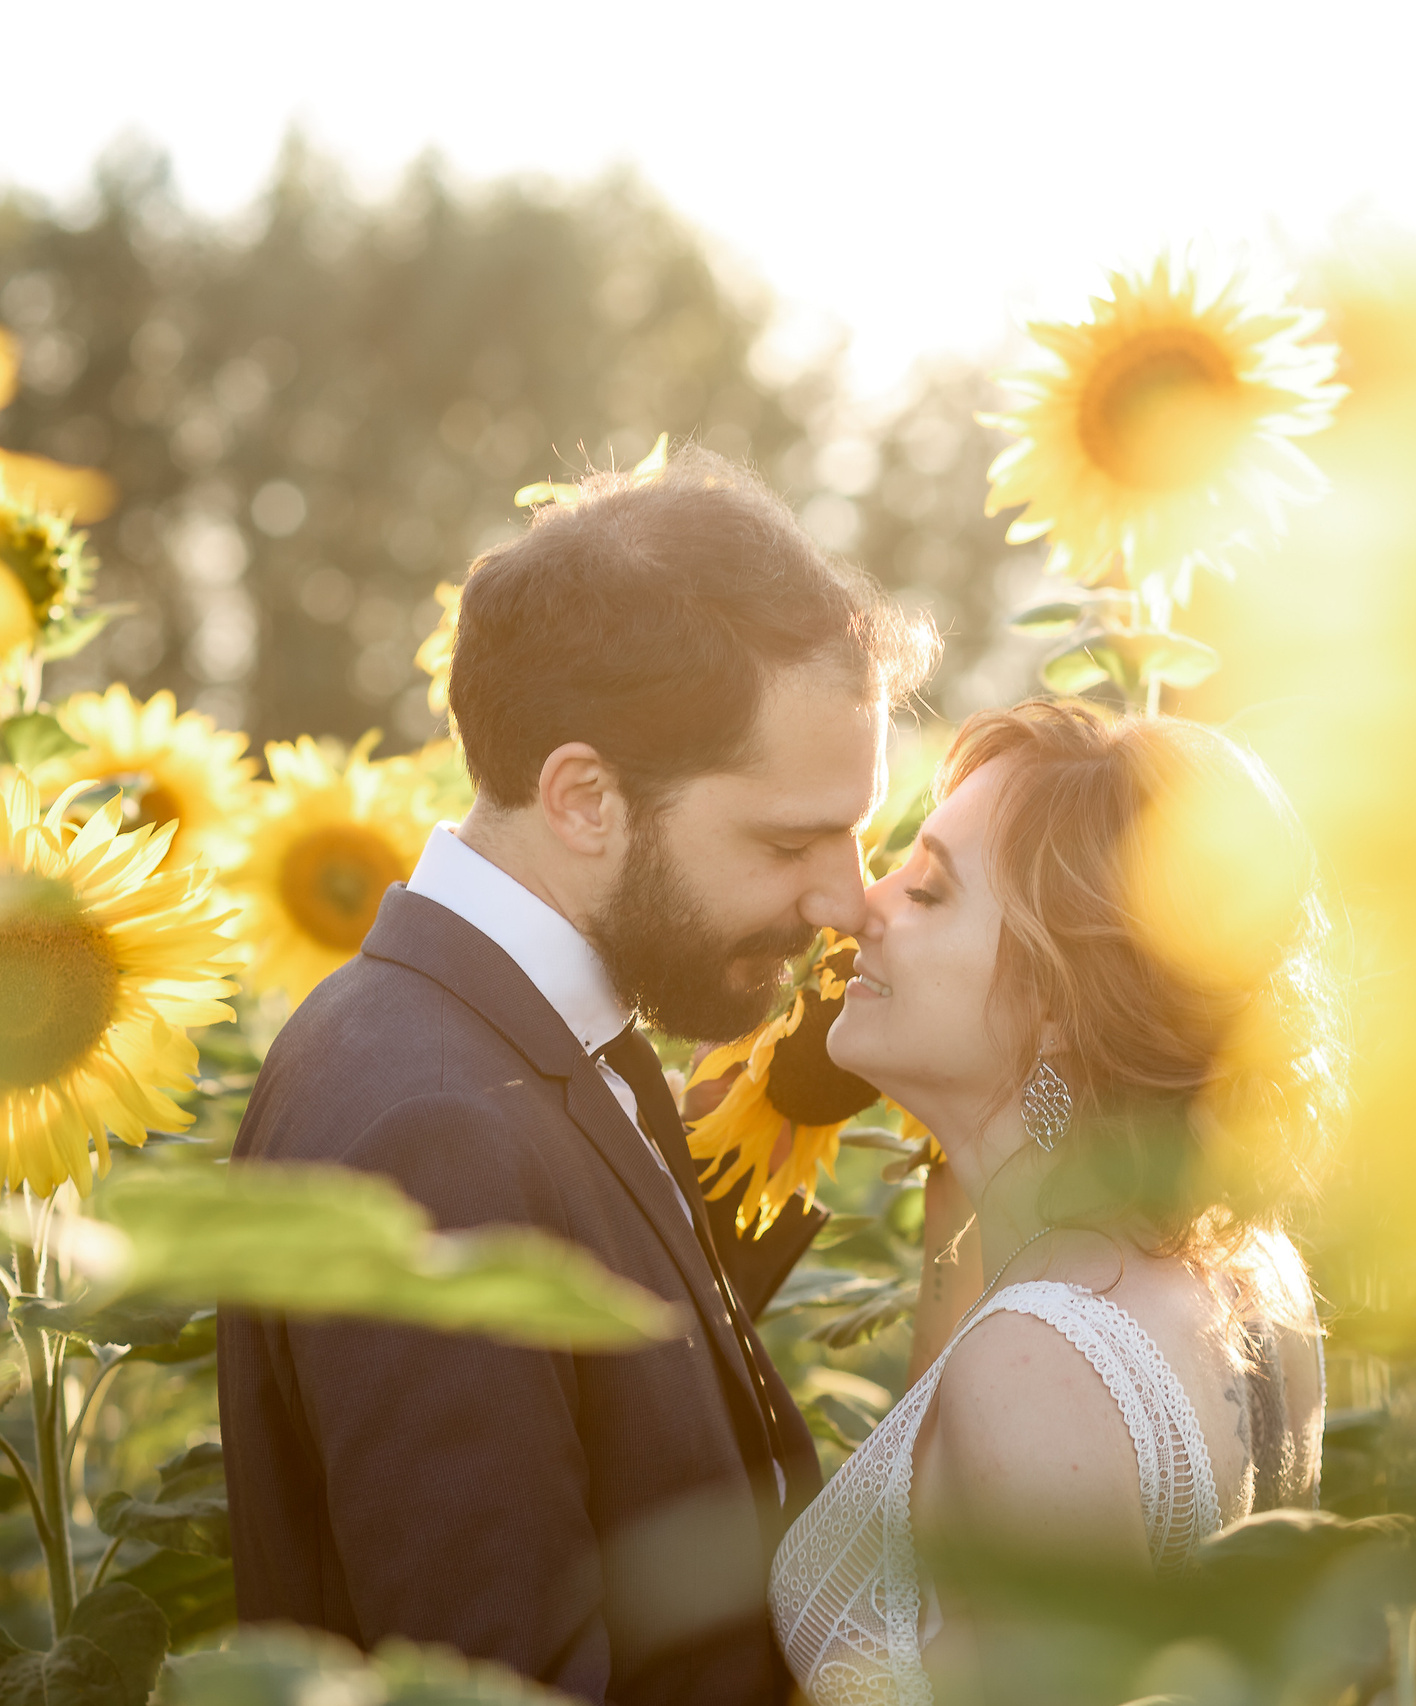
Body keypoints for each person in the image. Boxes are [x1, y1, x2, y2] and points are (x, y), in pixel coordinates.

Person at [218, 444, 937, 1706]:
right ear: (585, 797)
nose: (844, 897)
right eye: (790, 839)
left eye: (858, 830)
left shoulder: (514, 1034)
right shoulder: (430, 1133)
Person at [770, 699, 1339, 1704]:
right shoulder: (1252, 1270)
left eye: (929, 889)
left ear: (1055, 1006)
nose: (861, 905)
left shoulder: (1031, 1362)